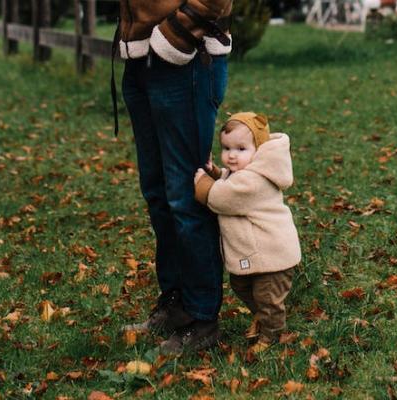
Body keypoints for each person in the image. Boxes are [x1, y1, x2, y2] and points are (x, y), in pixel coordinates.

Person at [118, 0, 233, 355]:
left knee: (187, 193)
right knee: (158, 192)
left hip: (185, 60)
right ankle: (176, 303)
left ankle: (201, 317)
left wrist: (174, 37)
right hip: (141, 60)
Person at [194, 112, 301, 352]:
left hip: (272, 256)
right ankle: (264, 318)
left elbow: (224, 196)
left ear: (259, 150)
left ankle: (271, 335)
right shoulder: (245, 172)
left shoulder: (255, 179)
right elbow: (230, 182)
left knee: (267, 297)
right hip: (256, 254)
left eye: (241, 149)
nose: (232, 155)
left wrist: (202, 183)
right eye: (226, 148)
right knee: (241, 285)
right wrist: (216, 174)